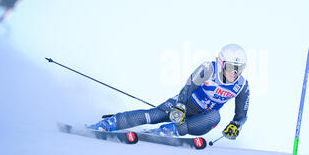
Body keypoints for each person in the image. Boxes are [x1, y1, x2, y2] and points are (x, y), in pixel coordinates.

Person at [87, 44, 250, 140]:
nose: (234, 73)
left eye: (238, 69)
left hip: (201, 120)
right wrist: (180, 106)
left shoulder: (241, 86)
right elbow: (188, 87)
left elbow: (241, 116)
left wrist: (236, 126)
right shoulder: (208, 69)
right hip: (184, 105)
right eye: (231, 68)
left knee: (216, 116)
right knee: (153, 115)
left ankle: (169, 131)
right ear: (221, 63)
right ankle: (111, 123)